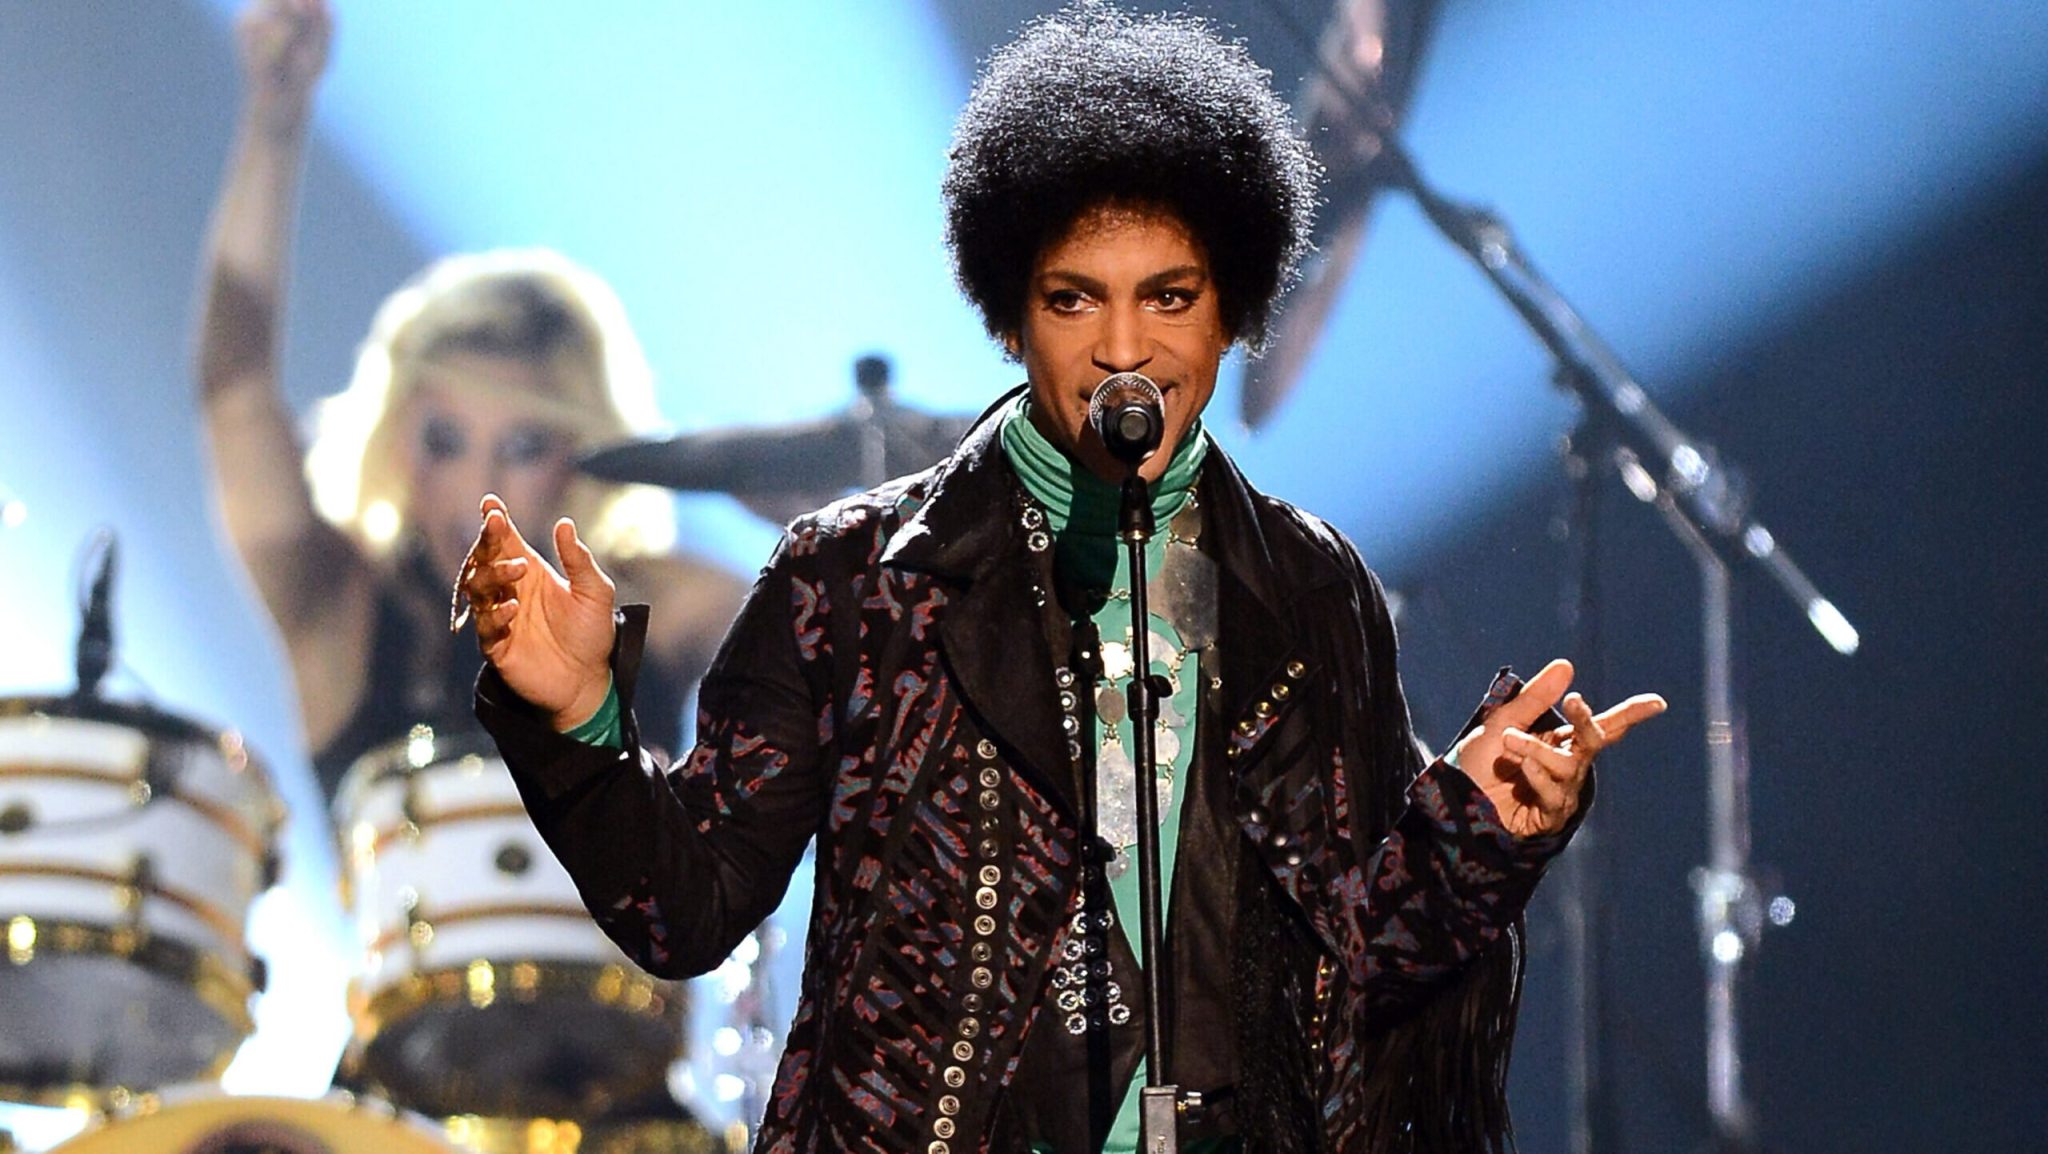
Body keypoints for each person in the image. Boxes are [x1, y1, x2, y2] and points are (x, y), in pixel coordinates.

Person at [459, 6, 1665, 1151]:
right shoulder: (857, 577)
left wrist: (1471, 832)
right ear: (1010, 315)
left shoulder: (1305, 586)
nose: (1124, 348)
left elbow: (1341, 978)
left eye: (1169, 298)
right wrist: (580, 717)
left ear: (1232, 311)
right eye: (1074, 299)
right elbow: (687, 906)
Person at [195, 0, 746, 802]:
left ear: (578, 455)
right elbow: (234, 391)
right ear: (394, 438)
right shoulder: (340, 609)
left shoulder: (660, 604)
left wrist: (804, 513)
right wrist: (274, 126)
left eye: (523, 447)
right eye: (445, 440)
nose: (482, 487)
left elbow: (852, 670)